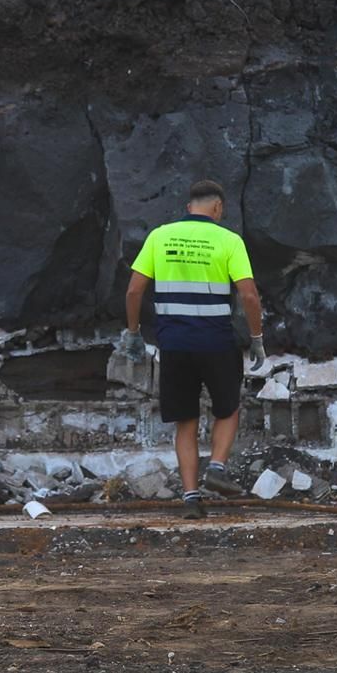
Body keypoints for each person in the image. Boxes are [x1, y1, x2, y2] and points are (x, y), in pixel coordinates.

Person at [120, 179, 265, 518]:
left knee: (185, 420)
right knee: (228, 408)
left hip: (174, 343)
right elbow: (248, 295)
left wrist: (133, 333)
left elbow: (133, 292)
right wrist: (256, 337)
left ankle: (190, 500)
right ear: (218, 207)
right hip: (217, 342)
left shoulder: (160, 236)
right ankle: (216, 468)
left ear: (189, 207)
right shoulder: (229, 240)